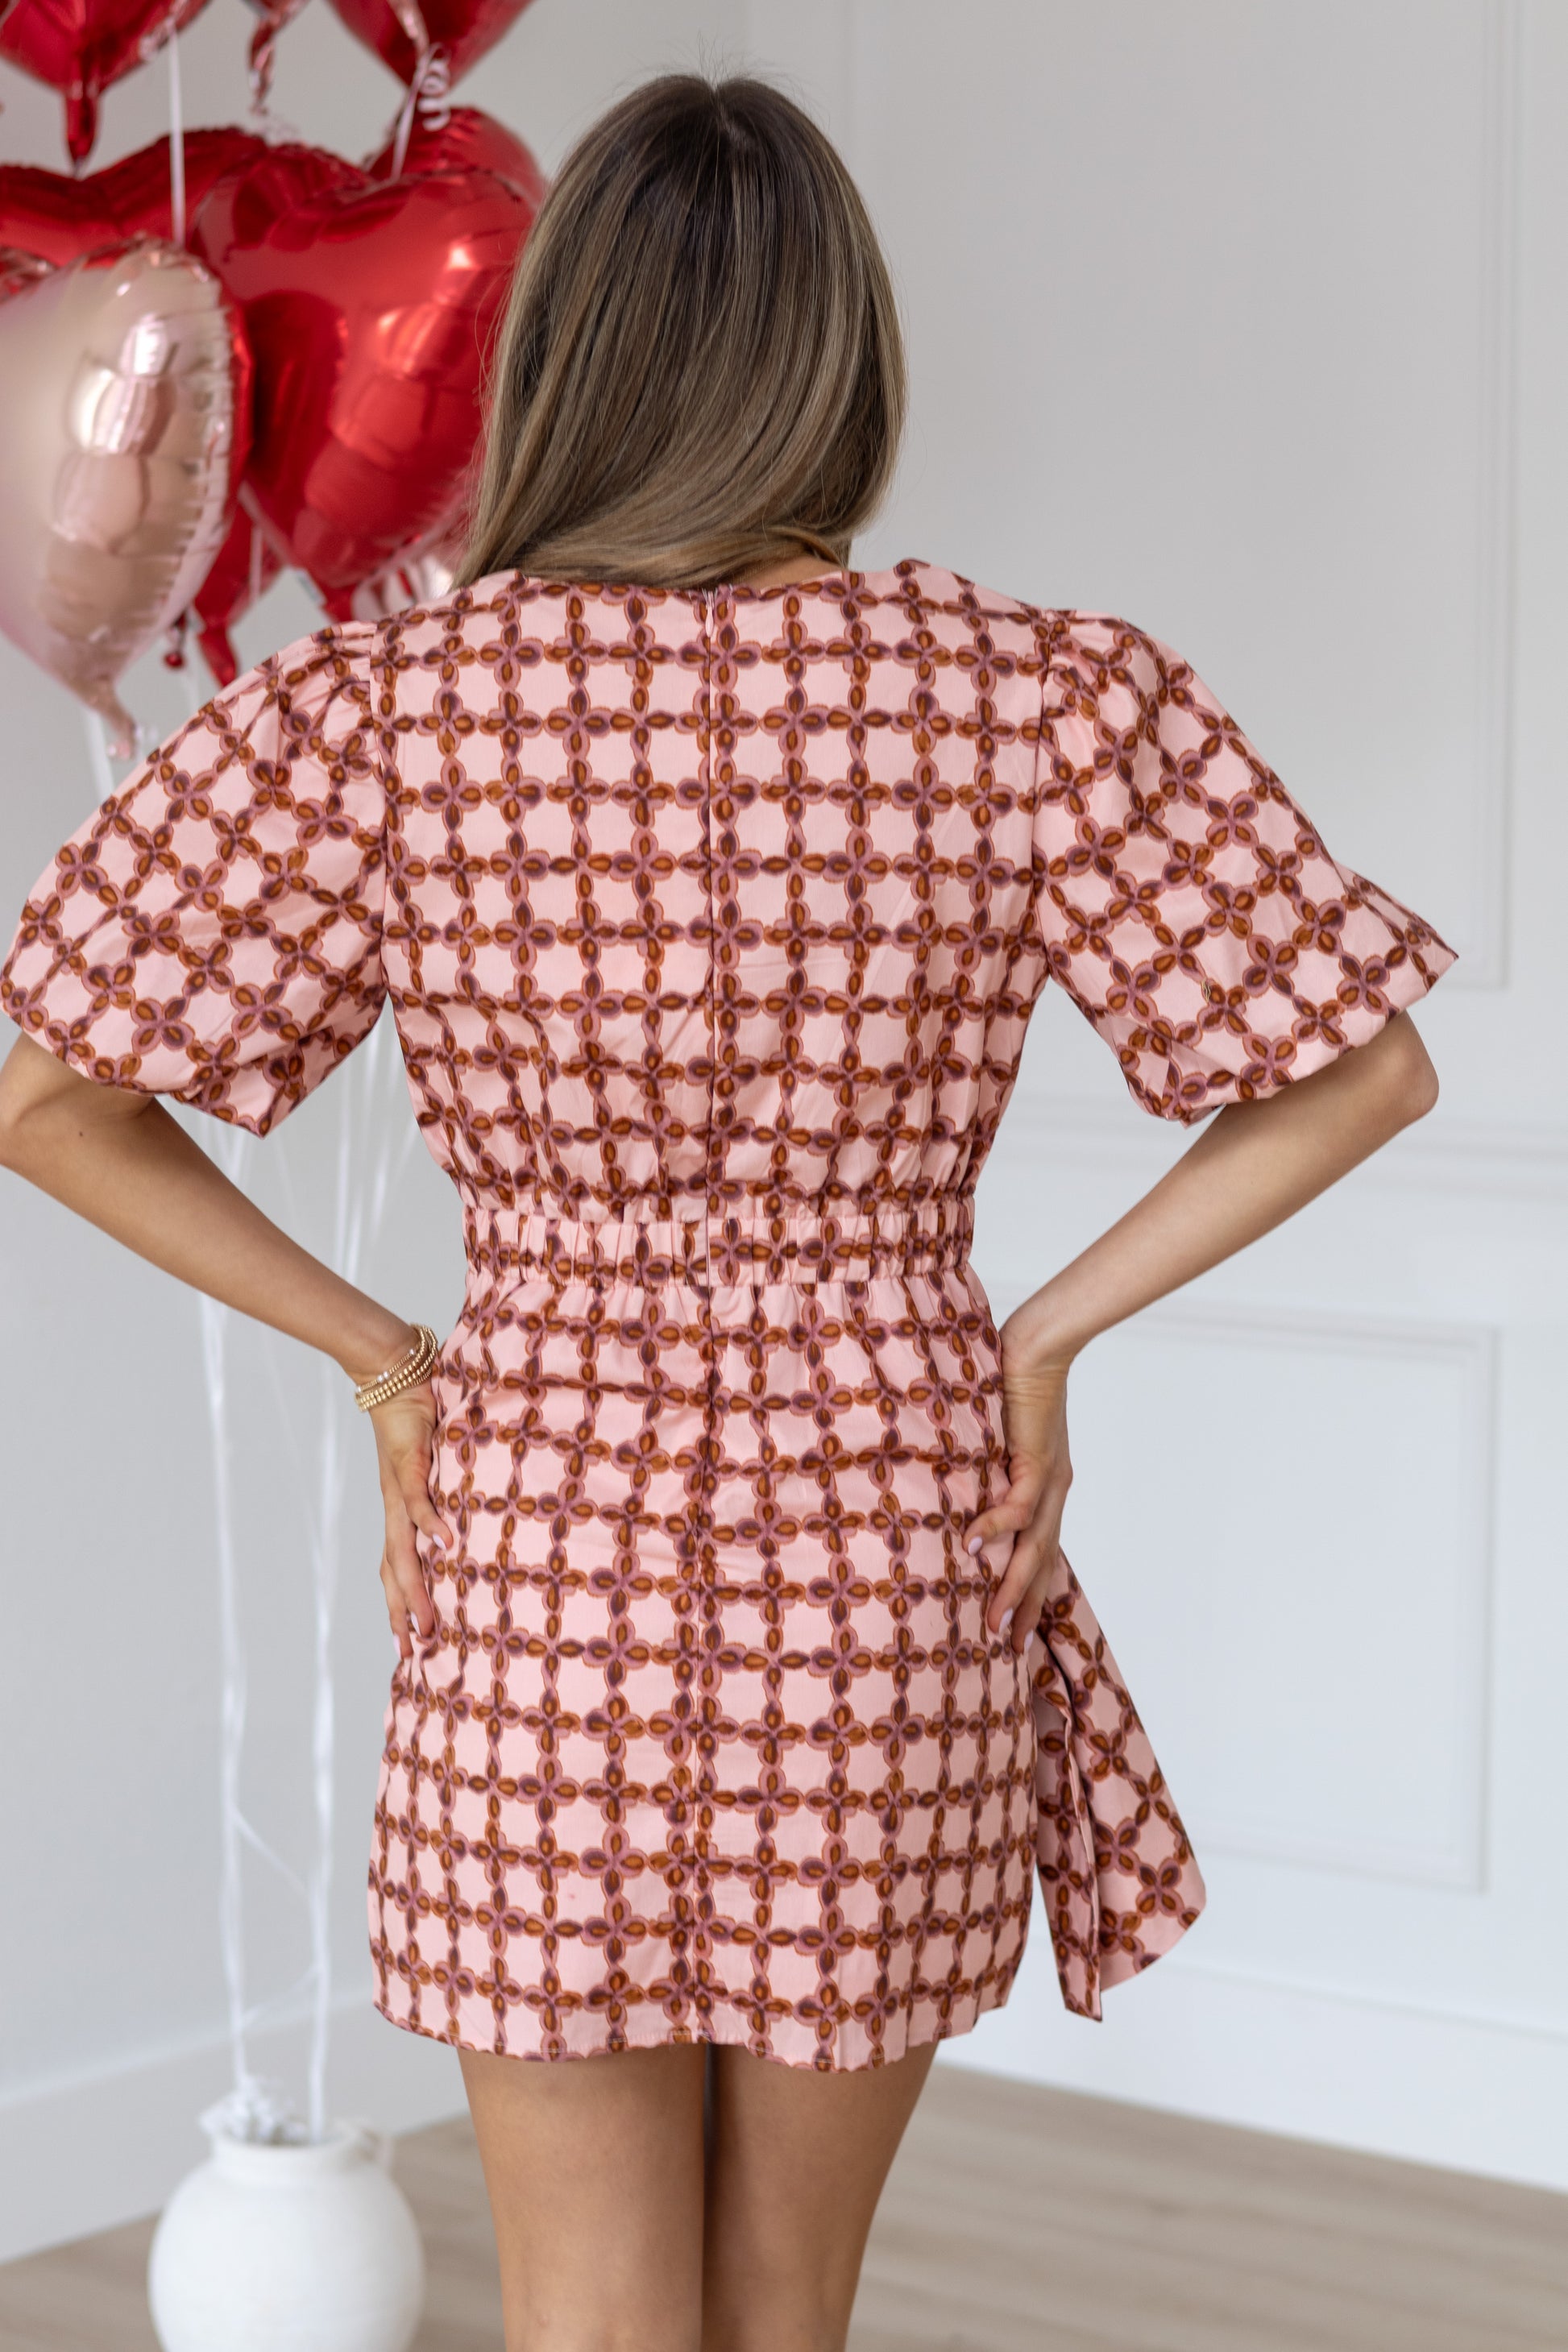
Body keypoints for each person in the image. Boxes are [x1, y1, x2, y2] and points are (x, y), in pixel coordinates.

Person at [0, 68, 1455, 2352]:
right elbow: (1363, 1063)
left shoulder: (395, 714)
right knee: (787, 2309)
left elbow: (48, 1094)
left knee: (591, 2318)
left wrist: (387, 1360)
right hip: (895, 1526)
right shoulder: (1032, 698)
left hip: (540, 1536)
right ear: (840, 360)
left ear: (564, 356)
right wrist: (1037, 1333)